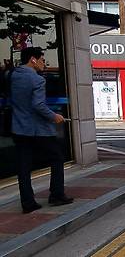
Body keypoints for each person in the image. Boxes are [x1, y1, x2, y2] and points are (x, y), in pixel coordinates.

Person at [10, 47, 71, 214]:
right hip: (37, 130)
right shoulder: (37, 80)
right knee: (57, 157)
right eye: (42, 60)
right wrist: (54, 116)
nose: (45, 63)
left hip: (18, 128)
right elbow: (38, 105)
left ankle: (28, 203)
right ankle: (57, 195)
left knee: (24, 166)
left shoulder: (12, 75)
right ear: (33, 60)